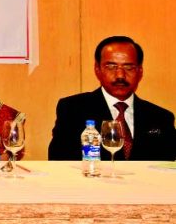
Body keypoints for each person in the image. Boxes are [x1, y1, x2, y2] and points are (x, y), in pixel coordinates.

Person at [48, 36, 176, 161]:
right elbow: (59, 159)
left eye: (129, 67)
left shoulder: (161, 117)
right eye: (111, 66)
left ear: (140, 72)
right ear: (97, 70)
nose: (120, 75)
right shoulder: (72, 109)